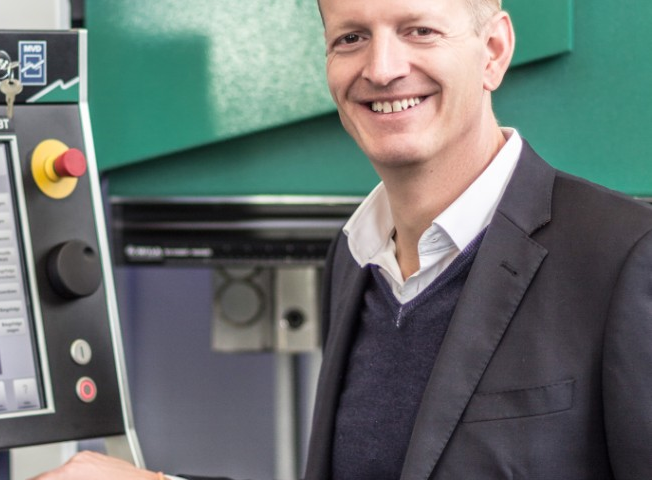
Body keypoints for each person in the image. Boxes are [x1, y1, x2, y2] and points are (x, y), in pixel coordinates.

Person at [32, 0, 652, 478]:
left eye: (419, 31)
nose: (381, 69)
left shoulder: (626, 257)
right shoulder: (356, 258)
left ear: (493, 51)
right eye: (351, 38)